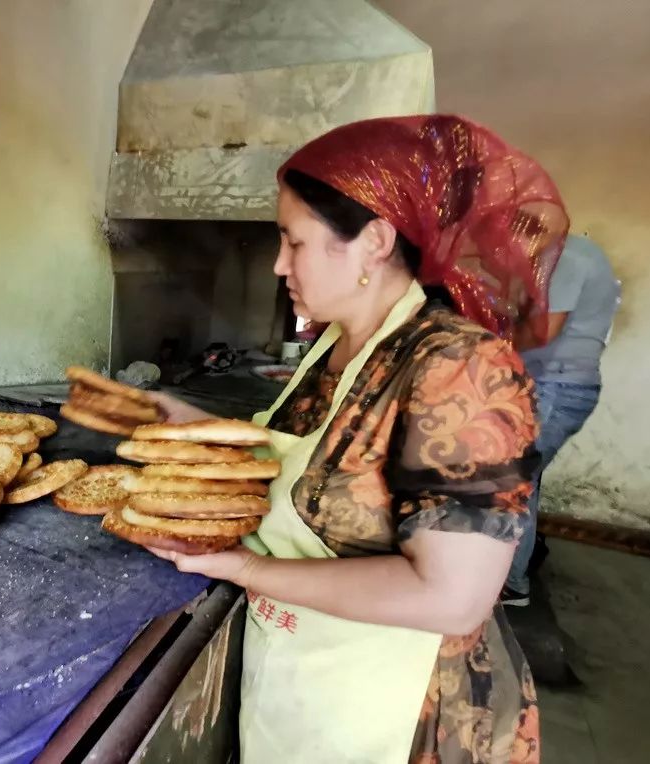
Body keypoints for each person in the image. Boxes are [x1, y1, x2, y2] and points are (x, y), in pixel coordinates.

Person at [145, 115, 567, 763]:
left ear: (373, 241)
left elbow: (451, 598)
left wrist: (246, 568)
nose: (279, 264)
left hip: (402, 712)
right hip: (304, 675)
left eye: (294, 242)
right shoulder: (337, 344)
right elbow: (319, 462)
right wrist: (193, 426)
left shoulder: (459, 367)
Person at [503, 234, 620, 605]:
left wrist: (479, 347)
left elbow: (541, 332)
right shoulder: (559, 254)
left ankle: (511, 582)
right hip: (552, 384)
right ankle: (516, 567)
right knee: (521, 480)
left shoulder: (566, 256)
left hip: (554, 387)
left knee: (512, 481)